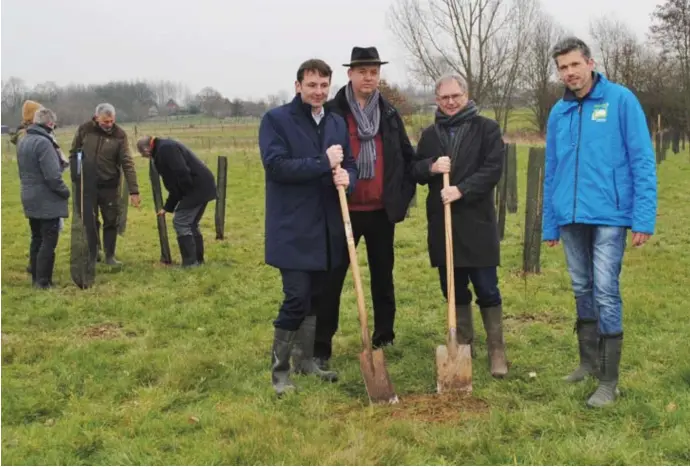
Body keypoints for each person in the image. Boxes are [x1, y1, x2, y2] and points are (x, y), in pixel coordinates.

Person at [542, 37, 657, 408]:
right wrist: (549, 224)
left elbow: (642, 159)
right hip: (570, 215)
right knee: (581, 286)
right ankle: (587, 363)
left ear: (590, 63)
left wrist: (643, 217)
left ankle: (609, 381)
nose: (569, 72)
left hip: (610, 213)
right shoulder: (558, 112)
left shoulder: (621, 101)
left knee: (605, 289)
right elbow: (552, 171)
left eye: (575, 64)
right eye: (562, 67)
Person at [312, 46, 417, 369]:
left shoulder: (388, 113)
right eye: (362, 71)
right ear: (350, 74)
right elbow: (317, 155)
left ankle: (384, 335)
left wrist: (400, 196)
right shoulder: (332, 112)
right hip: (343, 209)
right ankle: (321, 344)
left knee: (383, 276)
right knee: (332, 278)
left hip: (380, 211)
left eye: (374, 72)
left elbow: (403, 156)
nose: (368, 77)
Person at [258, 58, 358, 396]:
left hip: (327, 226)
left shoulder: (336, 122)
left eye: (324, 85)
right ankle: (280, 372)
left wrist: (349, 177)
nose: (318, 91)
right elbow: (276, 167)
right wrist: (323, 163)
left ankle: (306, 360)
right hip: (293, 227)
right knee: (296, 297)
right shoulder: (276, 121)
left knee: (317, 297)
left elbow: (351, 164)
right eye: (311, 85)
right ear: (298, 85)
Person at [411, 74, 508, 378]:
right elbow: (414, 170)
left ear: (466, 95)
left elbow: (493, 169)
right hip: (443, 223)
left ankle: (497, 351)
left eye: (456, 96)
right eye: (444, 98)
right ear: (436, 100)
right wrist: (430, 167)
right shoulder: (429, 135)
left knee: (486, 287)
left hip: (476, 221)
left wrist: (461, 189)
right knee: (453, 288)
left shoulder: (487, 129)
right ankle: (463, 345)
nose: (450, 102)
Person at [70, 103, 140, 266]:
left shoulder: (119, 135)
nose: (109, 125)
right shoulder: (84, 130)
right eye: (105, 121)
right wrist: (76, 173)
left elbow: (127, 163)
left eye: (111, 121)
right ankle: (94, 254)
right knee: (90, 221)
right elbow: (75, 153)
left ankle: (110, 256)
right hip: (87, 185)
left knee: (111, 220)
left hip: (109, 185)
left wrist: (134, 190)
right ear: (96, 118)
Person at [136, 135, 217, 267]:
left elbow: (181, 172)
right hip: (202, 186)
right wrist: (168, 207)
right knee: (191, 223)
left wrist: (186, 194)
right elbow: (174, 183)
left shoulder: (165, 149)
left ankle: (190, 264)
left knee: (181, 221)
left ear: (147, 149)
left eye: (143, 154)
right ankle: (197, 261)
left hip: (196, 189)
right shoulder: (163, 148)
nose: (145, 157)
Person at [11, 100, 70, 274]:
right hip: (46, 198)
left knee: (36, 237)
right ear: (50, 123)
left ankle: (35, 272)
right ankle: (43, 281)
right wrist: (64, 191)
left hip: (29, 195)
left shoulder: (24, 140)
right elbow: (52, 176)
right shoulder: (44, 143)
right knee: (48, 240)